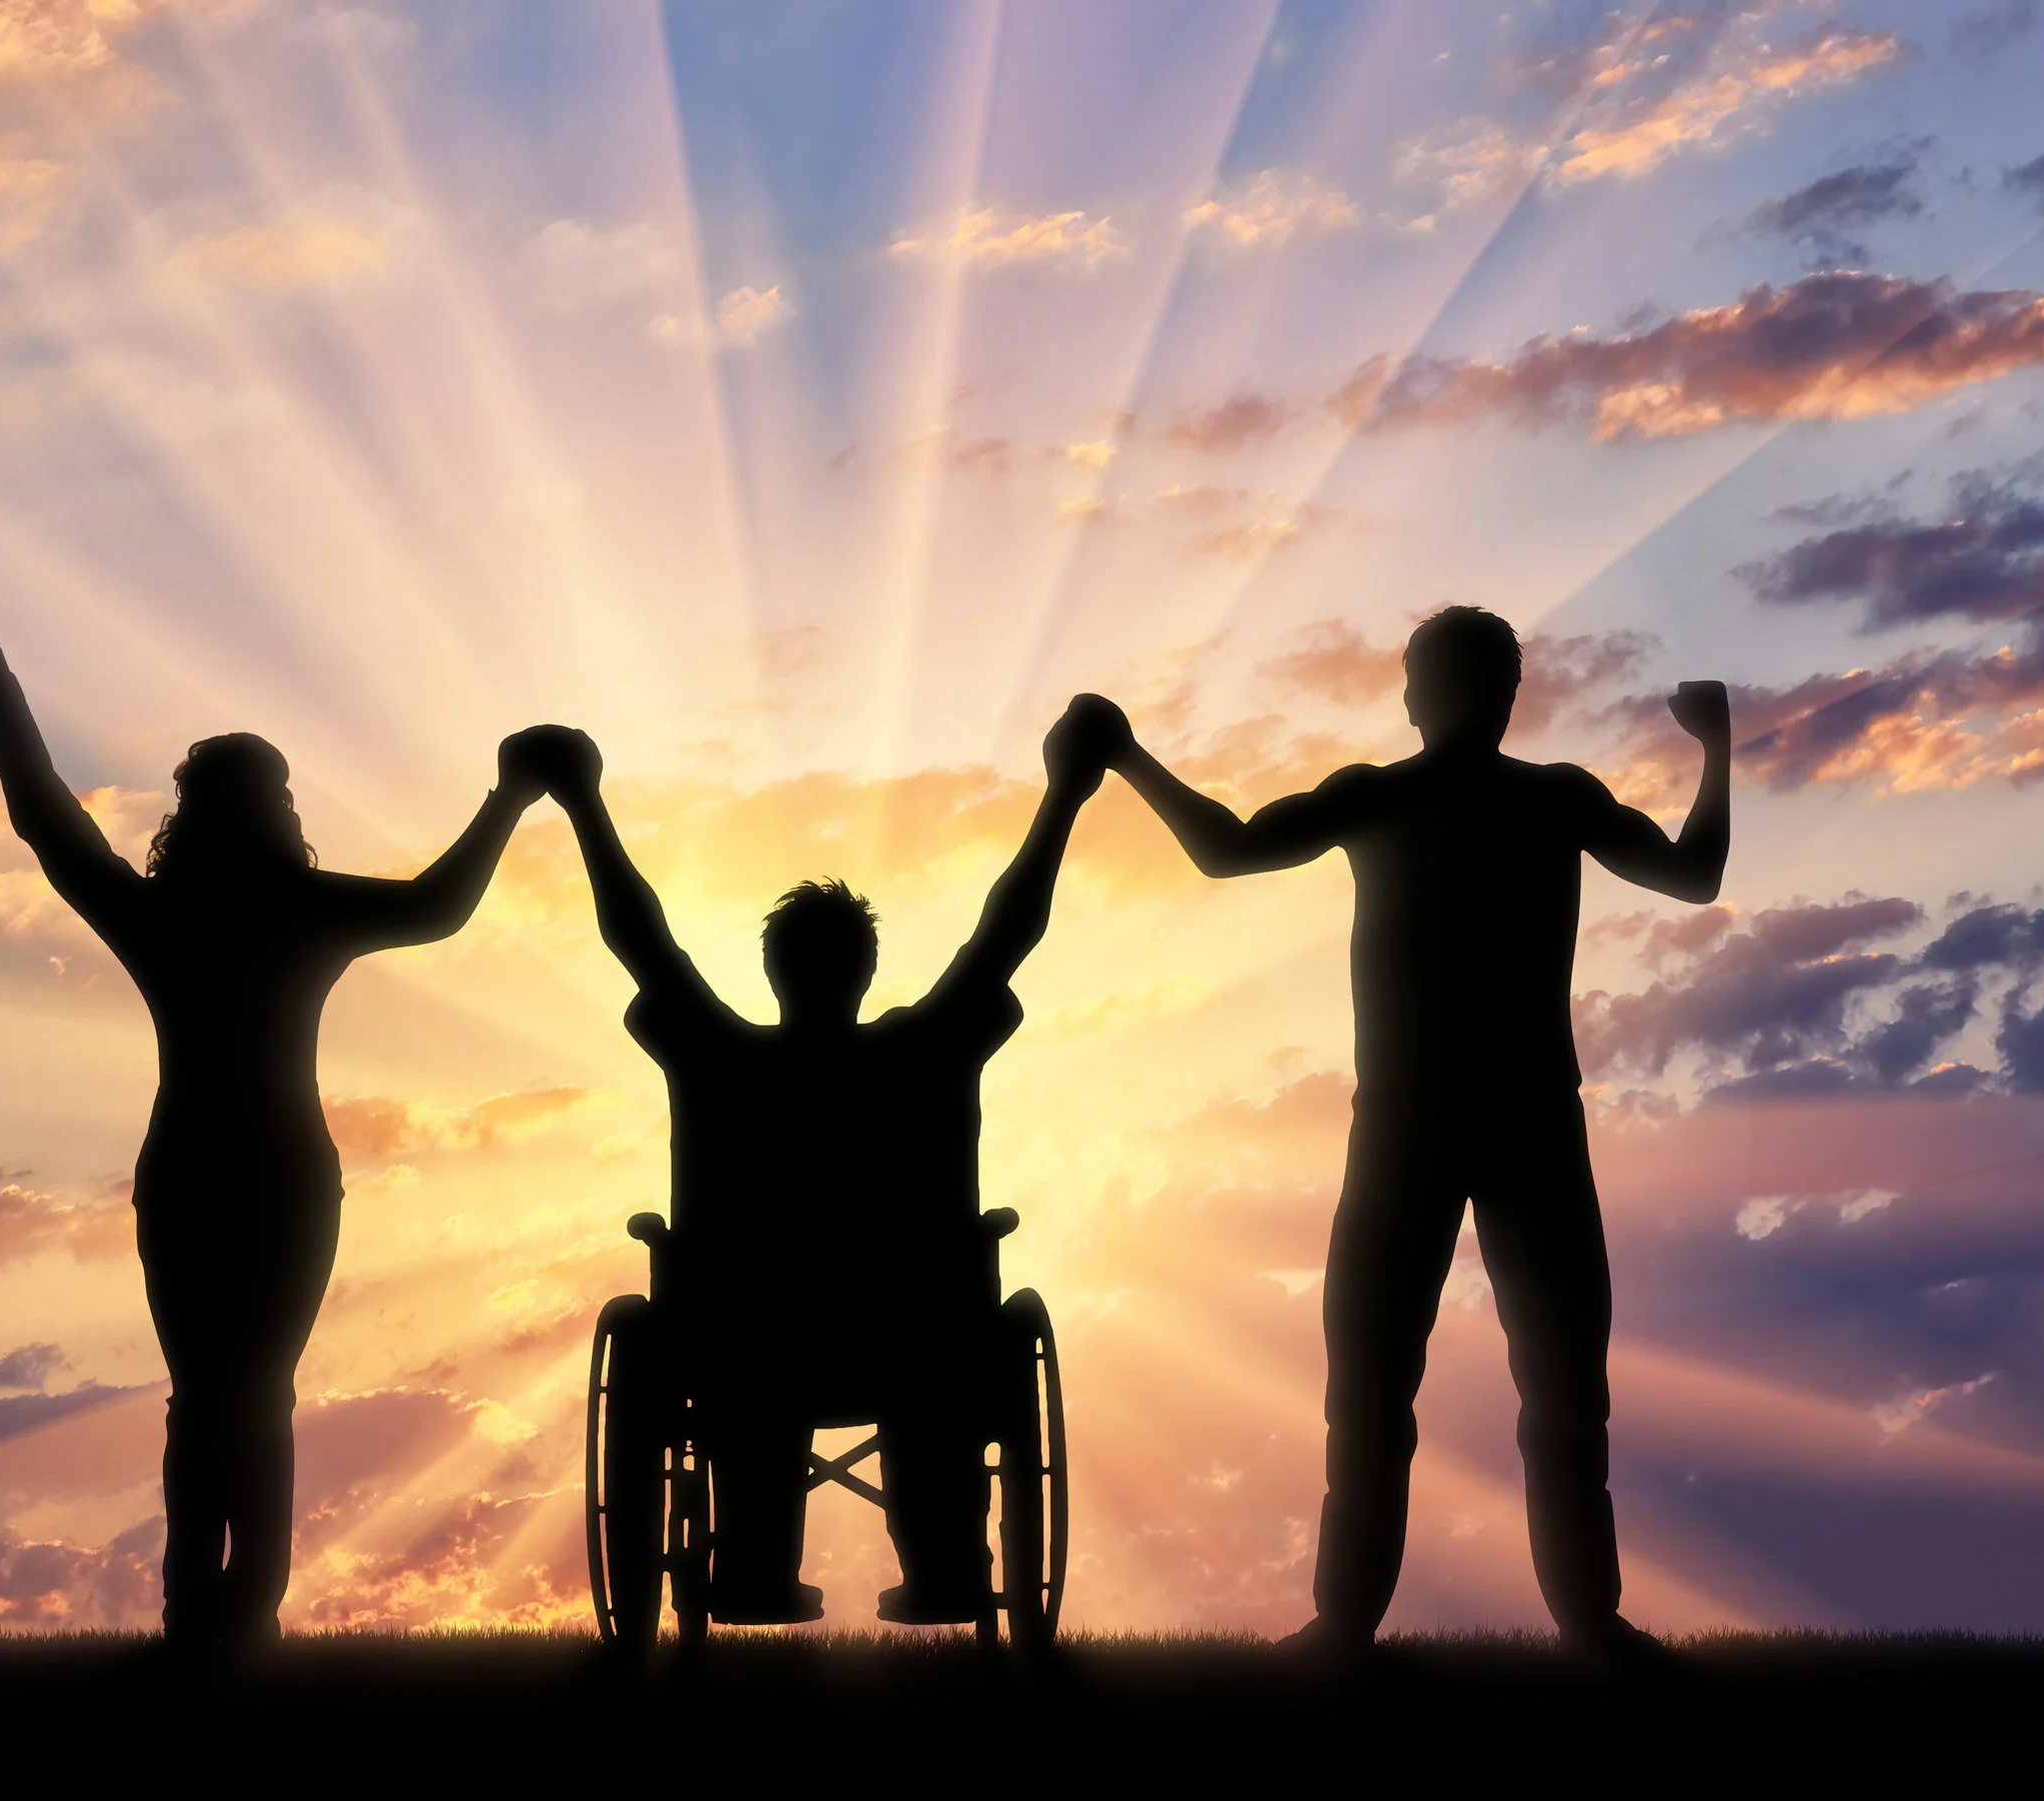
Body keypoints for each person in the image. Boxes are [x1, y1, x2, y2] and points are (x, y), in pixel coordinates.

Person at [0, 553, 556, 1653]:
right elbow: (438, 905)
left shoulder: (159, 914)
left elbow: (39, 807)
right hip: (282, 1172)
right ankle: (244, 1612)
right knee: (260, 1391)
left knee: (202, 1393)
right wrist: (509, 796)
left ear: (186, 813)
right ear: (279, 808)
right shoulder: (303, 909)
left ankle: (198, 1613)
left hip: (188, 1168)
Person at [1087, 606, 1729, 1662]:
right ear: (1505, 694)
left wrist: (1126, 756)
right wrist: (1715, 745)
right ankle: (1571, 1623)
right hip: (1514, 1119)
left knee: (1388, 1389)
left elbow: (1225, 849)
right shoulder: (1547, 798)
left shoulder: (1383, 796)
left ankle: (1361, 1627)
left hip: (1420, 1123)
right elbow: (1694, 872)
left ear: (1415, 696)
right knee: (1546, 1387)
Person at [532, 702, 1113, 1624]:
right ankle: (947, 1570)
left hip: (744, 1339)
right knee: (929, 1358)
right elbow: (1007, 937)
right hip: (916, 1335)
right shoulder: (926, 1055)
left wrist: (582, 804)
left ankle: (752, 1569)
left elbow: (642, 946)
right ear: (866, 970)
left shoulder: (719, 1061)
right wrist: (1066, 793)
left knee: (752, 1368)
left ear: (772, 970)